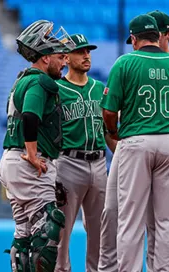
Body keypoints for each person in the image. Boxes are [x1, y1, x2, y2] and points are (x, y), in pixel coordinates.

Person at [100, 14, 169, 272]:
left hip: (136, 141)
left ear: (134, 39)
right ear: (158, 36)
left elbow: (109, 112)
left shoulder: (124, 63)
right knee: (168, 220)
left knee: (131, 219)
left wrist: (113, 132)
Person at [0, 20, 75, 271]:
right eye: (60, 57)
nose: (64, 61)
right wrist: (32, 155)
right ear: (44, 58)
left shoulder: (23, 79)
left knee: (24, 234)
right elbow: (31, 116)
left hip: (11, 160)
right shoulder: (40, 82)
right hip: (27, 161)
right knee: (48, 228)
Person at [54, 33, 117, 272]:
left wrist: (121, 158)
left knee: (100, 229)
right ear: (66, 57)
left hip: (99, 162)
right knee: (61, 228)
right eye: (80, 52)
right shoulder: (57, 89)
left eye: (88, 51)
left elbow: (109, 131)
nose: (86, 56)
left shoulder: (99, 88)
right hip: (69, 162)